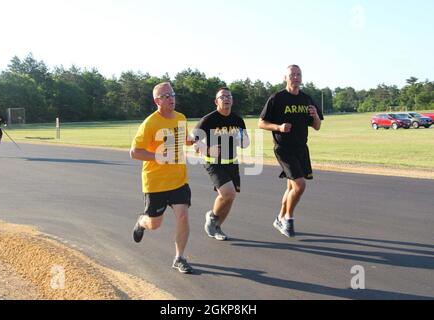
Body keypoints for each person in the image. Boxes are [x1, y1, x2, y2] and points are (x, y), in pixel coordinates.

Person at [129, 82, 195, 274]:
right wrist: (159, 157)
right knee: (154, 224)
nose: (171, 98)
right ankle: (142, 222)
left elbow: (183, 140)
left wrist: (194, 141)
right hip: (155, 182)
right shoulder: (150, 123)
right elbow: (134, 152)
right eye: (166, 96)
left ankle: (179, 258)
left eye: (172, 94)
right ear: (157, 100)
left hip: (178, 180)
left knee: (183, 216)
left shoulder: (181, 118)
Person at [258, 65, 323, 237]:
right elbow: (261, 123)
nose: (295, 77)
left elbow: (317, 126)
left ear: (301, 78)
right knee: (300, 185)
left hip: (301, 148)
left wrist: (315, 115)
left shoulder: (306, 99)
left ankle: (279, 217)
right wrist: (278, 127)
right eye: (292, 74)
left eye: (298, 74)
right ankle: (288, 218)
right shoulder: (277, 98)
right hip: (283, 149)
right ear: (285, 78)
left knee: (291, 187)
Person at [193, 87, 250, 241]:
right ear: (216, 101)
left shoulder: (238, 120)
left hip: (232, 162)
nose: (226, 99)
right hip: (214, 163)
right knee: (228, 193)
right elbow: (194, 142)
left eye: (229, 96)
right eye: (222, 96)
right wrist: (208, 150)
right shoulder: (208, 119)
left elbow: (245, 141)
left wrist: (244, 141)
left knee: (230, 198)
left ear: (232, 100)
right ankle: (212, 216)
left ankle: (217, 225)